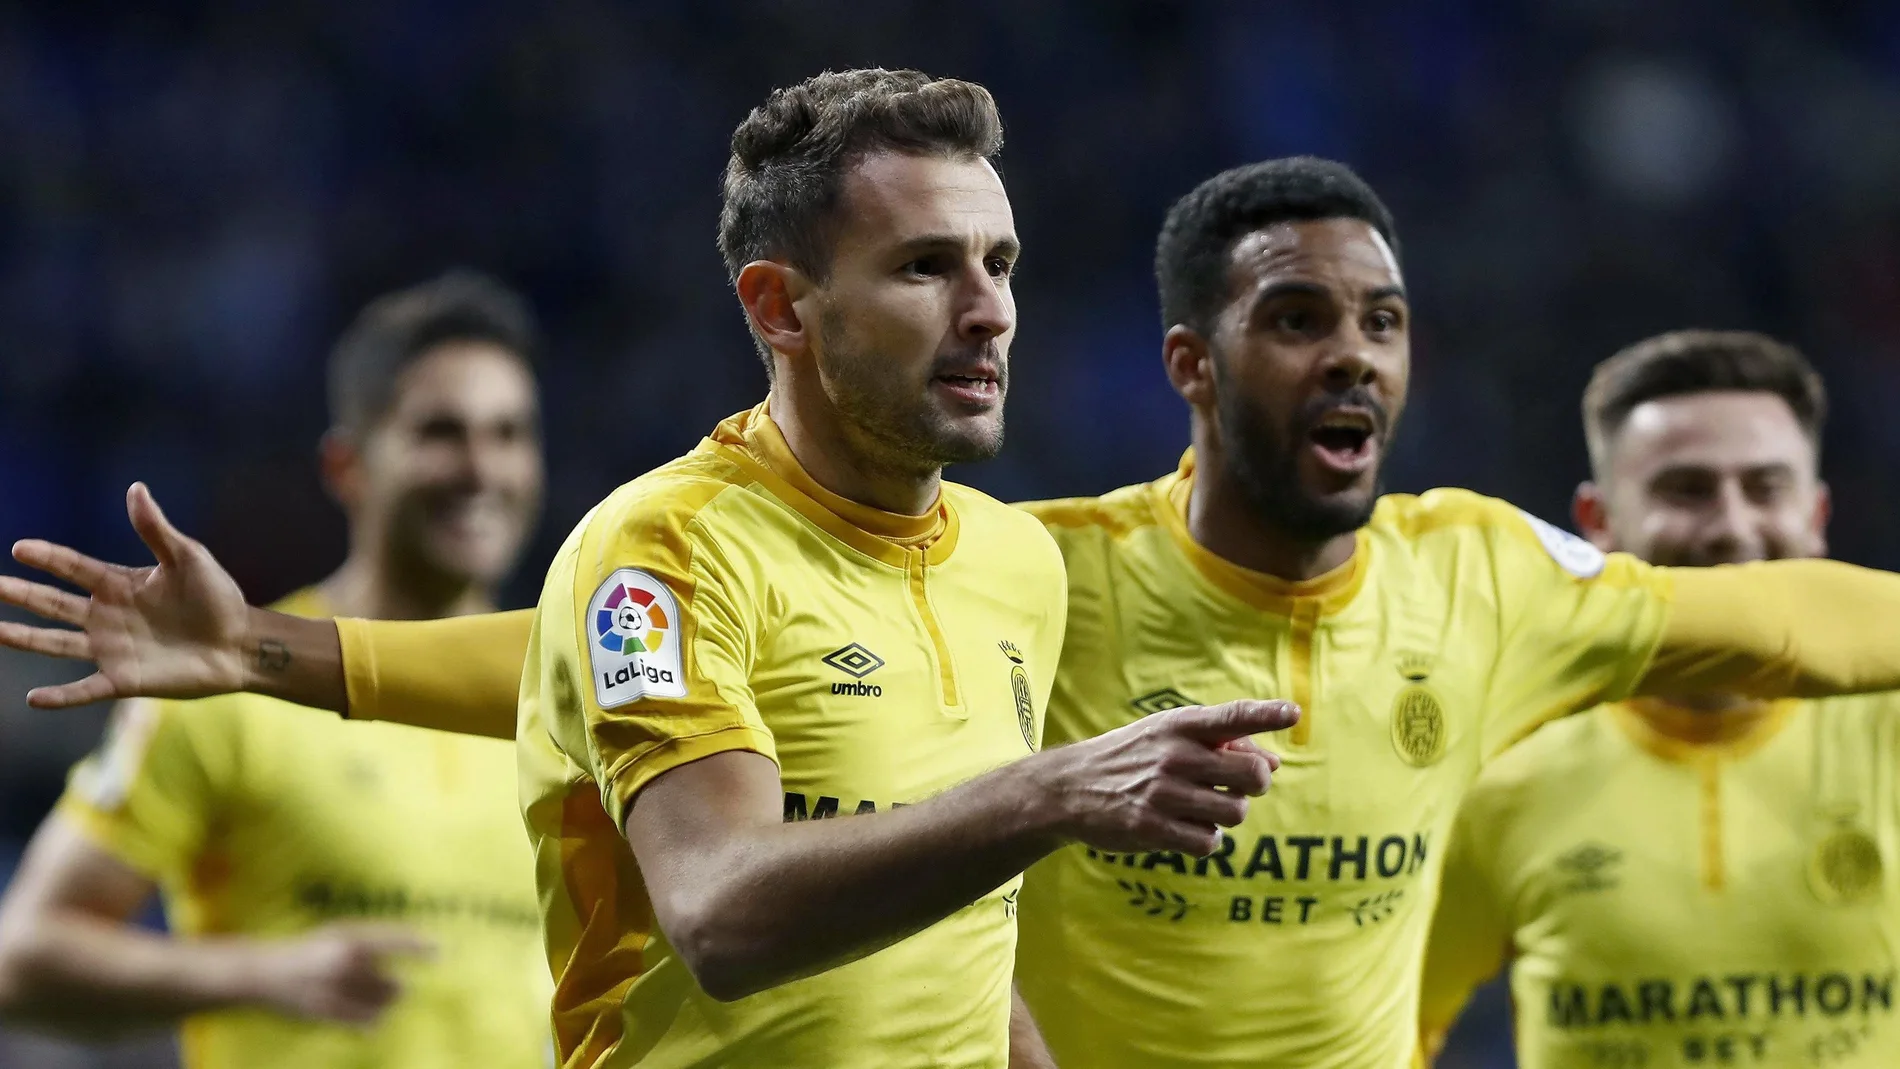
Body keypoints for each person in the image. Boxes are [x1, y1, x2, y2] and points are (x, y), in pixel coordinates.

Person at [9, 154, 1900, 1068]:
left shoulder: (1491, 575)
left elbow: (1810, 623)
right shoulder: (1045, 570)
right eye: (1299, 318)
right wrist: (279, 650)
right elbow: (609, 664)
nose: (1352, 356)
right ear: (1191, 361)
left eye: (1384, 321)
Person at [0, 69, 1298, 1069]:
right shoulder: (668, 546)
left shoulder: (1013, 561)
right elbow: (723, 914)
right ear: (780, 308)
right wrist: (1053, 792)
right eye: (925, 266)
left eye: (1000, 262)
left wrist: (273, 652)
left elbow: (947, 933)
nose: (991, 307)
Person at [0, 270, 553, 1068]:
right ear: (348, 466)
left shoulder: (557, 693)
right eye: (441, 432)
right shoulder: (229, 682)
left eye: (509, 434)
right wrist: (263, 970)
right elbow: (22, 956)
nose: (481, 469)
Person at [1419, 332, 1900, 1068]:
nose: (1733, 527)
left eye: (1766, 488)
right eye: (1688, 489)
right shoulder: (1501, 762)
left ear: (1817, 515)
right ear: (1598, 523)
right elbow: (1393, 1031)